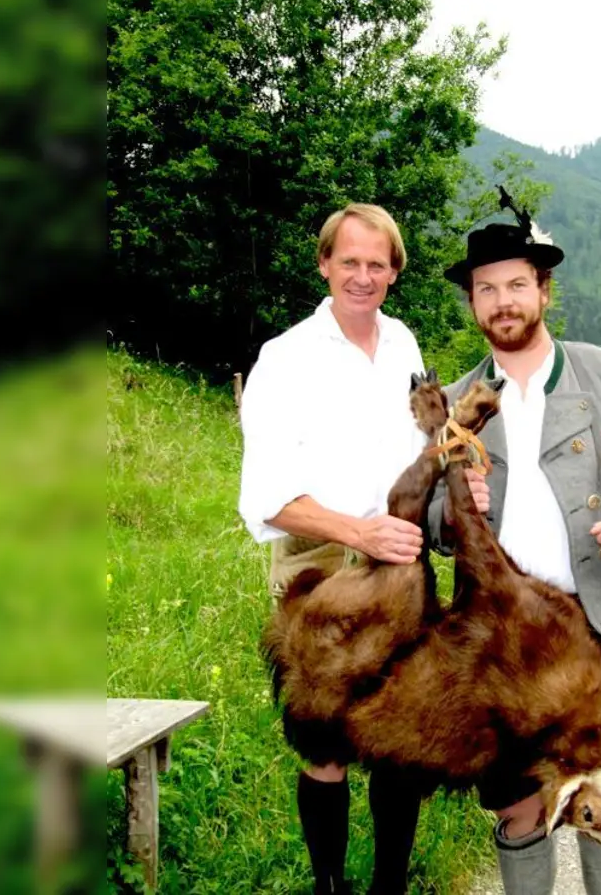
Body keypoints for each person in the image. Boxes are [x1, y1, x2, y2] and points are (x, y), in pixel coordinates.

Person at [423, 204, 601, 895]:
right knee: (520, 806)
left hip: (596, 627)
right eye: (486, 289)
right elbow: (430, 517)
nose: (502, 302)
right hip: (498, 643)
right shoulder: (452, 402)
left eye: (515, 285)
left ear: (543, 290)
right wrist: (454, 509)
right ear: (473, 301)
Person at [236, 203, 430, 895]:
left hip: (398, 561)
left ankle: (387, 887)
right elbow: (266, 496)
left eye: (377, 264)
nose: (362, 276)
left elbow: (420, 448)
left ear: (394, 273)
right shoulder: (284, 360)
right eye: (349, 261)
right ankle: (328, 886)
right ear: (324, 264)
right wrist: (357, 531)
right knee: (326, 746)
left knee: (399, 737)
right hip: (319, 565)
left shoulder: (405, 345)